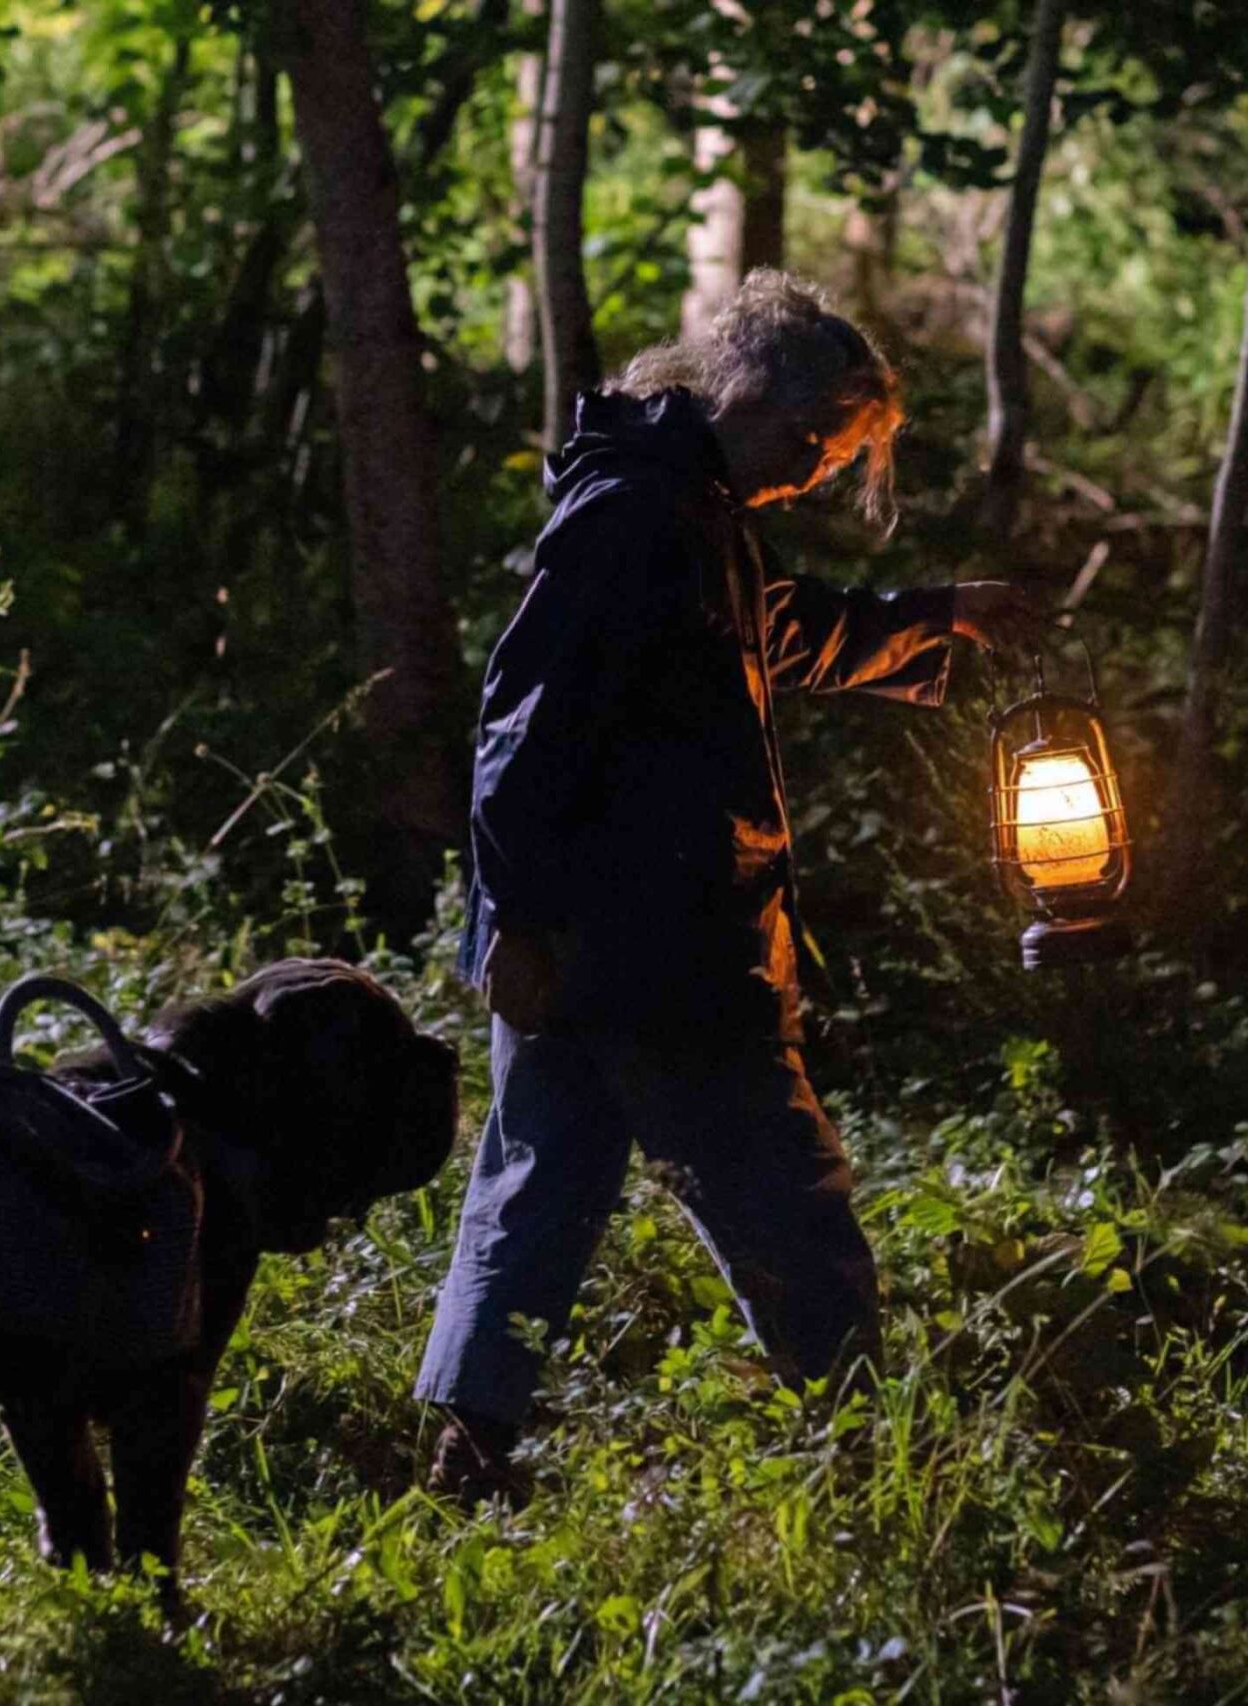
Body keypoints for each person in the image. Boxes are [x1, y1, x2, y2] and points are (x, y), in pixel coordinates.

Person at [416, 269, 1041, 1502]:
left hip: (612, 941)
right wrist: (520, 923)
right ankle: (870, 1455)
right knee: (779, 1188)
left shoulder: (682, 507)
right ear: (745, 393)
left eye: (831, 453)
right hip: (660, 950)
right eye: (809, 442)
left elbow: (774, 628)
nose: (812, 471)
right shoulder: (638, 512)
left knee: (535, 1193)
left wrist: (931, 619)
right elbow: (519, 727)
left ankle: (467, 1453)